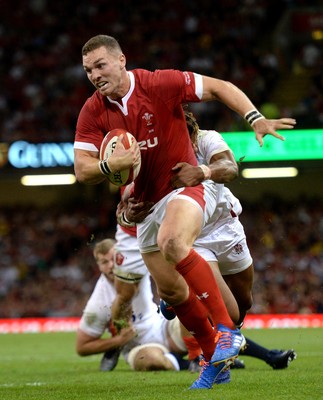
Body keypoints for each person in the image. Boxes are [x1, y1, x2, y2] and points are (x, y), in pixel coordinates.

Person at [74, 34, 296, 390]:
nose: (95, 75)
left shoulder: (160, 83)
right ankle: (215, 362)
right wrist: (108, 167)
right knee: (173, 294)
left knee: (174, 243)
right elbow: (81, 170)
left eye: (100, 65)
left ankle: (227, 333)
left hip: (184, 189)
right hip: (145, 209)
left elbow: (220, 87)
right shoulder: (93, 110)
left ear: (121, 60)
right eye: (88, 70)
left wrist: (254, 117)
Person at [76, 238, 189, 372]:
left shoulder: (135, 265)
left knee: (194, 312)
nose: (111, 265)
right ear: (98, 266)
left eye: (114, 258)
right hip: (139, 345)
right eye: (104, 262)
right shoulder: (98, 301)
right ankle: (189, 363)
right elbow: (82, 347)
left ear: (121, 256)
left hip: (164, 327)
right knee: (151, 361)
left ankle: (200, 355)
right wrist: (119, 341)